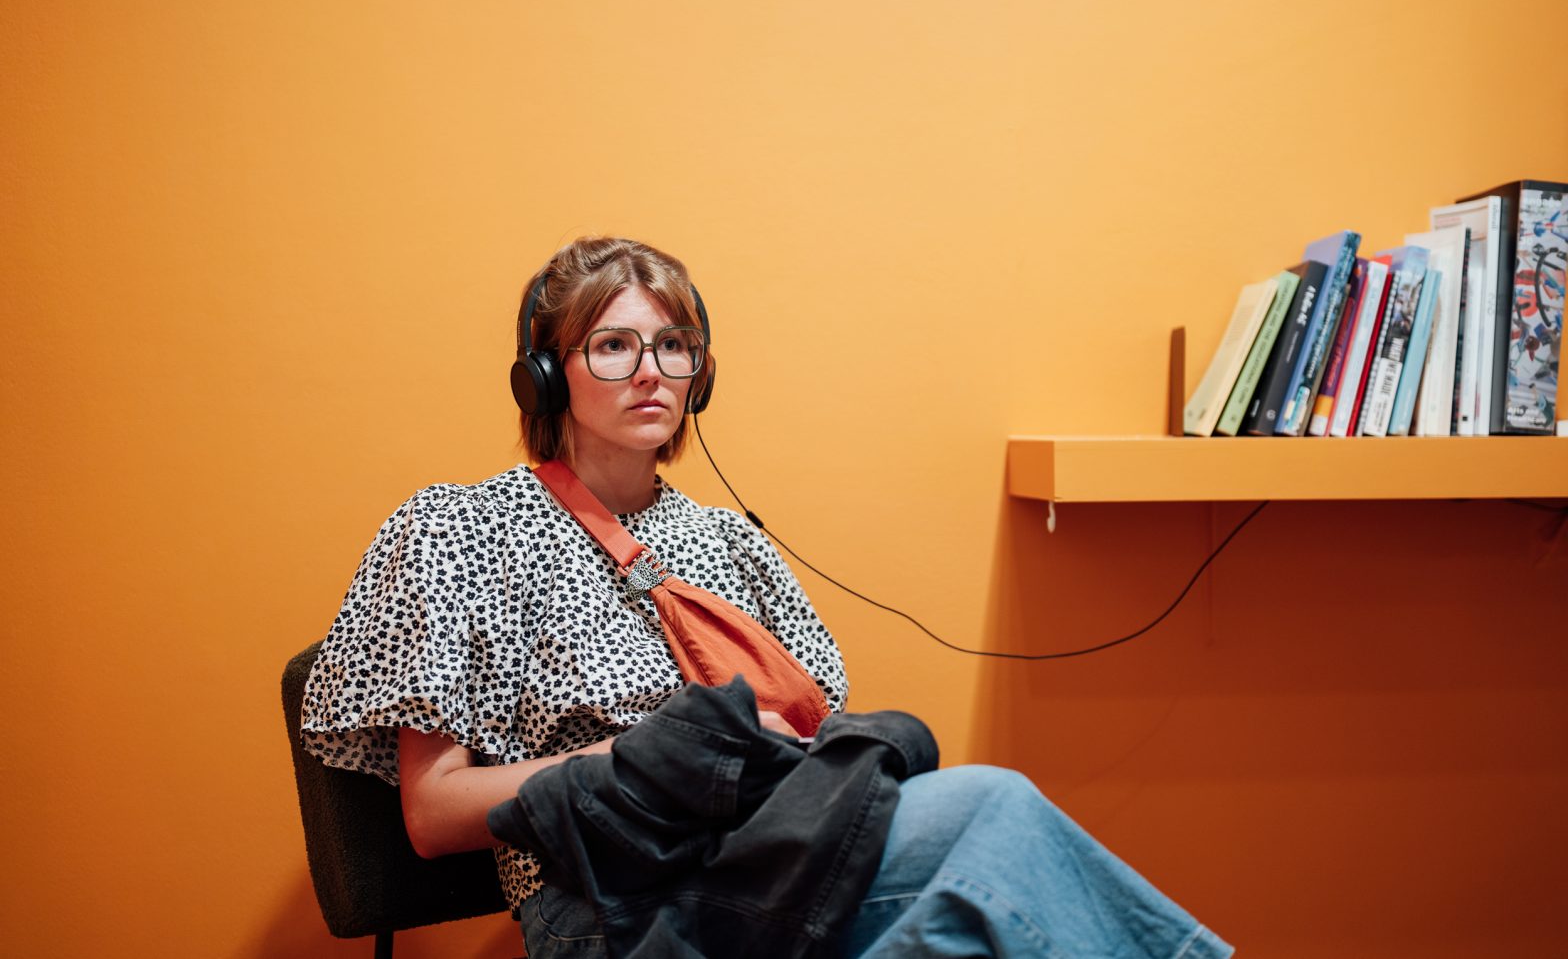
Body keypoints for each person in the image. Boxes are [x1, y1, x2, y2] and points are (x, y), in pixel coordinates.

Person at [301, 236, 1234, 958]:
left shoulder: (731, 543)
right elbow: (433, 816)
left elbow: (811, 736)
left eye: (673, 347)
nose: (651, 372)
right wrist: (632, 758)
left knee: (969, 911)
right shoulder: (456, 529)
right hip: (609, 904)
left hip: (779, 858)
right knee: (990, 807)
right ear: (547, 374)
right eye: (614, 346)